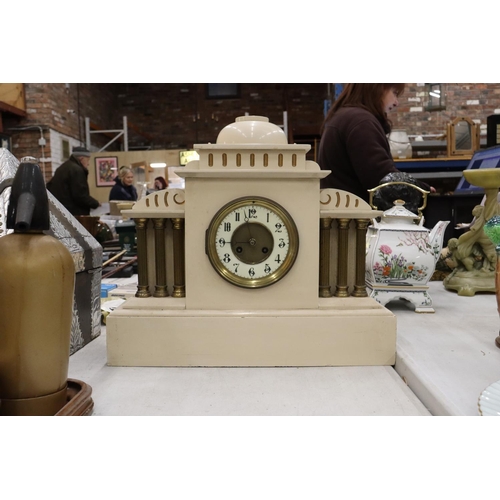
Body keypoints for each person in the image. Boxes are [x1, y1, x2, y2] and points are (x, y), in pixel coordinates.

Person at [318, 83, 434, 202]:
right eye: (394, 93)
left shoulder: (346, 117)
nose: (396, 103)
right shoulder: (361, 122)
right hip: (356, 216)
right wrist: (422, 191)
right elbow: (382, 179)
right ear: (378, 89)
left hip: (342, 212)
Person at [47, 146, 100, 216]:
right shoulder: (77, 170)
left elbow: (50, 186)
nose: (88, 163)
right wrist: (96, 203)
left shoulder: (62, 167)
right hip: (74, 214)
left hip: (61, 211)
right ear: (82, 159)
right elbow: (80, 195)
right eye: (88, 160)